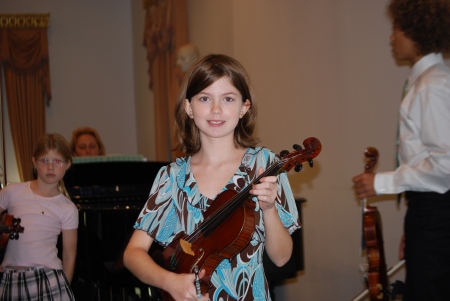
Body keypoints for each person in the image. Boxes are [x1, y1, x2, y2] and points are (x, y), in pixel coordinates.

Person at [123, 54, 300, 301]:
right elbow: (133, 254)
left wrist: (269, 208)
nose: (216, 109)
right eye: (205, 98)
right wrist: (171, 282)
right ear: (189, 107)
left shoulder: (264, 165)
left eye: (228, 99)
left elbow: (281, 258)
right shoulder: (173, 177)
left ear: (244, 108)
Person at [352, 0, 450, 300]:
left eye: (396, 28)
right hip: (428, 212)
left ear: (415, 30)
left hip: (437, 214)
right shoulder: (425, 81)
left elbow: (446, 166)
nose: (391, 37)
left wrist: (381, 182)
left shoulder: (433, 85)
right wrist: (414, 224)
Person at [0, 133, 78, 300]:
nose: (51, 167)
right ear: (34, 162)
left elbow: (69, 255)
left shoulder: (67, 208)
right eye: (45, 161)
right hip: (11, 278)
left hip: (49, 278)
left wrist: (64, 288)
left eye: (57, 161)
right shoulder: (13, 191)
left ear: (67, 164)